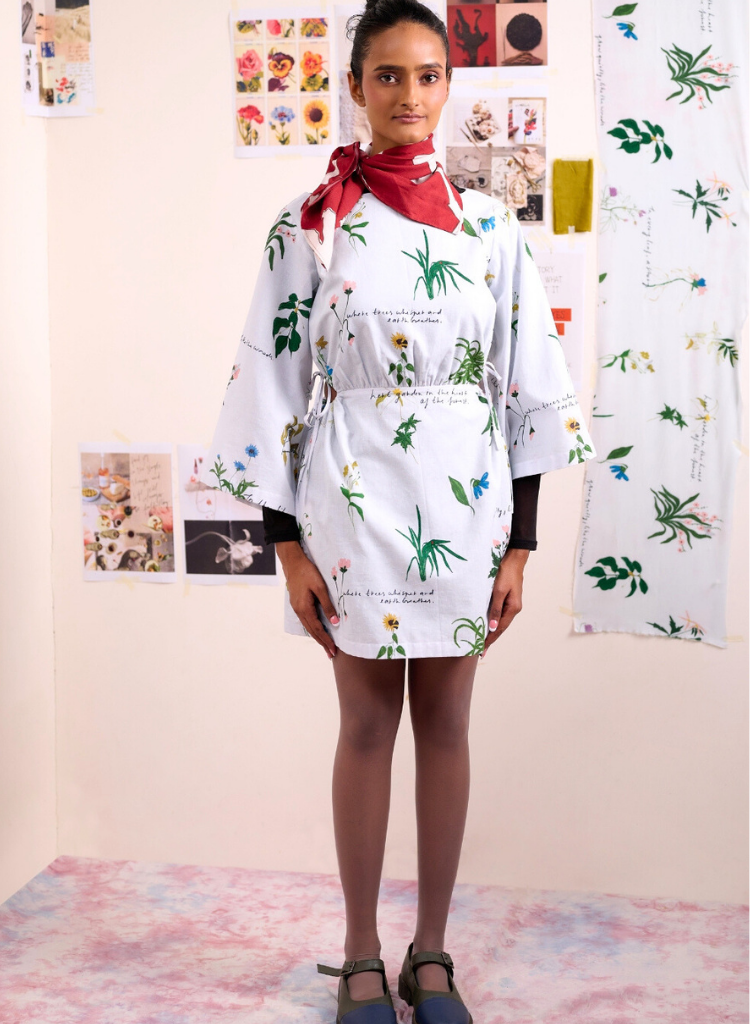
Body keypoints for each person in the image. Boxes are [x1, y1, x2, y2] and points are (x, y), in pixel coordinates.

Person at [200, 1, 596, 1020]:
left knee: (448, 724)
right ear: (355, 87)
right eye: (388, 75)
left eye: (427, 75)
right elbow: (272, 384)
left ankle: (433, 953)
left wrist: (520, 544)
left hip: (465, 513)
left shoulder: (492, 228)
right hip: (350, 509)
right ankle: (361, 956)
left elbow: (527, 383)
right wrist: (286, 546)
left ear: (449, 85)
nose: (409, 95)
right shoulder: (309, 226)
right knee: (368, 725)